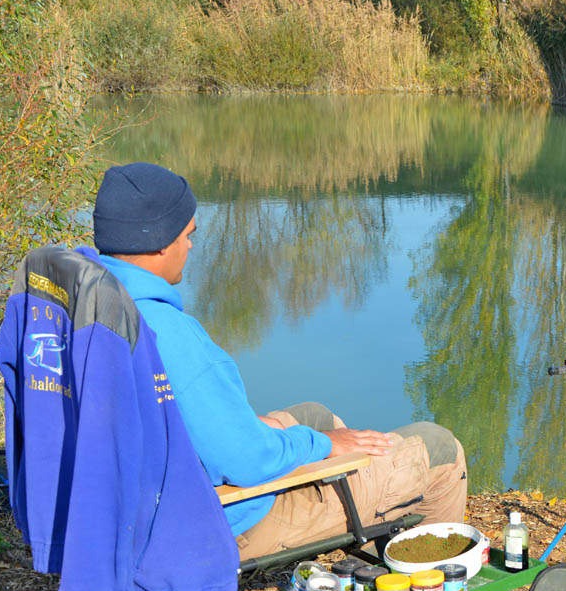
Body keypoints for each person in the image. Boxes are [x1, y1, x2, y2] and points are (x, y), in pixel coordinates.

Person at [91, 162, 467, 559]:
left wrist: (299, 436)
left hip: (140, 508)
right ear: (160, 241)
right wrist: (319, 445)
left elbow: (161, 420)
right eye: (187, 235)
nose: (191, 247)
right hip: (221, 526)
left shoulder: (91, 309)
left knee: (314, 414)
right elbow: (245, 461)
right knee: (439, 448)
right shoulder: (166, 333)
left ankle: (367, 542)